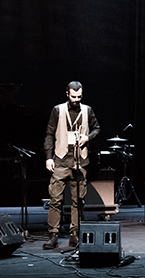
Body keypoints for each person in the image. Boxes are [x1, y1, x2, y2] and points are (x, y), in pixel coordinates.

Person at [43, 81, 101, 249]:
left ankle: (74, 234)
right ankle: (53, 235)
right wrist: (48, 157)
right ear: (67, 94)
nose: (76, 100)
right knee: (55, 200)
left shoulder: (87, 110)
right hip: (61, 160)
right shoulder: (57, 110)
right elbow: (49, 134)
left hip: (80, 161)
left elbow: (97, 128)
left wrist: (88, 137)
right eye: (73, 96)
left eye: (79, 97)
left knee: (78, 201)